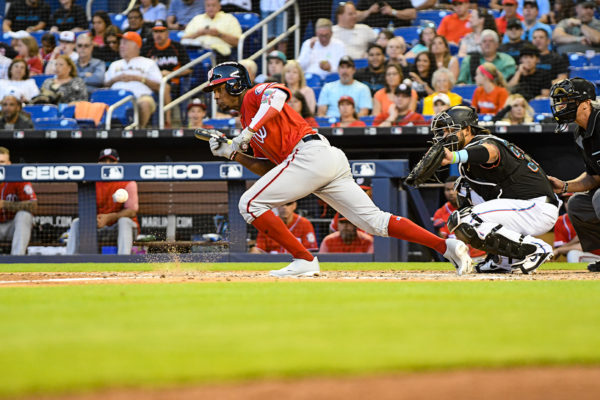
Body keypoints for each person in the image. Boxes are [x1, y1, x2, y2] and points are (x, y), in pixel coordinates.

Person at [204, 61, 472, 276]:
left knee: (249, 204)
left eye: (219, 89)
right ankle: (446, 246)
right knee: (375, 222)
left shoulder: (255, 94)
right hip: (315, 162)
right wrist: (233, 154)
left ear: (236, 85)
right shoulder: (246, 121)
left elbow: (277, 98)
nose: (215, 96)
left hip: (311, 154)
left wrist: (248, 132)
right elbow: (271, 170)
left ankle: (304, 259)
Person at [433, 105, 558, 273]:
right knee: (463, 188)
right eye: (445, 131)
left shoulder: (486, 142)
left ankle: (537, 248)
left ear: (467, 129)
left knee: (466, 219)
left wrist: (454, 157)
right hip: (519, 208)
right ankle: (503, 260)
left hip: (536, 207)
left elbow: (490, 152)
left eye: (451, 130)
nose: (447, 136)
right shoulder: (468, 160)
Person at [548, 78, 600, 272]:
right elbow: (594, 177)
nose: (561, 106)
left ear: (586, 104)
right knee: (578, 204)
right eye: (560, 101)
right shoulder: (580, 133)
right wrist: (565, 185)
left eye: (567, 101)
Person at [67, 148, 139, 255]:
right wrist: (94, 220)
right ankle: (70, 261)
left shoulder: (127, 182)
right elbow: (87, 209)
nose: (107, 164)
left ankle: (124, 260)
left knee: (124, 221)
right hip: (98, 226)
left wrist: (110, 217)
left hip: (120, 228)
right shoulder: (91, 182)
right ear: (98, 163)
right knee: (76, 222)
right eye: (104, 161)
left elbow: (132, 211)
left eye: (111, 161)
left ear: (117, 163)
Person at [104, 31, 162, 128]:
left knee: (145, 103)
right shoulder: (115, 64)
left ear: (136, 46)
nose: (121, 46)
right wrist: (115, 79)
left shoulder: (148, 63)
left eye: (125, 43)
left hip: (139, 98)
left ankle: (139, 131)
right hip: (115, 98)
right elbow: (105, 84)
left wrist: (139, 79)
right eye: (121, 43)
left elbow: (159, 86)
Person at [142, 19, 191, 127]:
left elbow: (189, 69)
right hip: (153, 84)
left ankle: (168, 121)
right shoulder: (147, 49)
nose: (158, 35)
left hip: (175, 82)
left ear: (167, 33)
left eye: (161, 31)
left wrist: (171, 73)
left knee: (164, 88)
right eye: (155, 32)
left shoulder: (177, 46)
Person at [432, 176, 486, 258]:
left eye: (454, 189)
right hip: (456, 258)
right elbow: (443, 242)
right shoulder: (440, 213)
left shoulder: (477, 207)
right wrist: (437, 230)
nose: (451, 192)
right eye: (447, 190)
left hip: (481, 256)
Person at [0, 146, 37, 255]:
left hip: (14, 227)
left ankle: (17, 260)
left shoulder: (18, 178)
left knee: (24, 215)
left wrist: (5, 204)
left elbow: (33, 205)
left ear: (9, 164)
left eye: (2, 162)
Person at [250, 201, 318, 254]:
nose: (285, 207)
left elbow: (310, 250)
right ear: (276, 206)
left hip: (295, 261)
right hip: (272, 261)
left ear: (294, 206)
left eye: (288, 204)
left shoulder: (304, 223)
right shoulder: (268, 224)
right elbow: (259, 249)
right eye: (281, 204)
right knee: (254, 250)